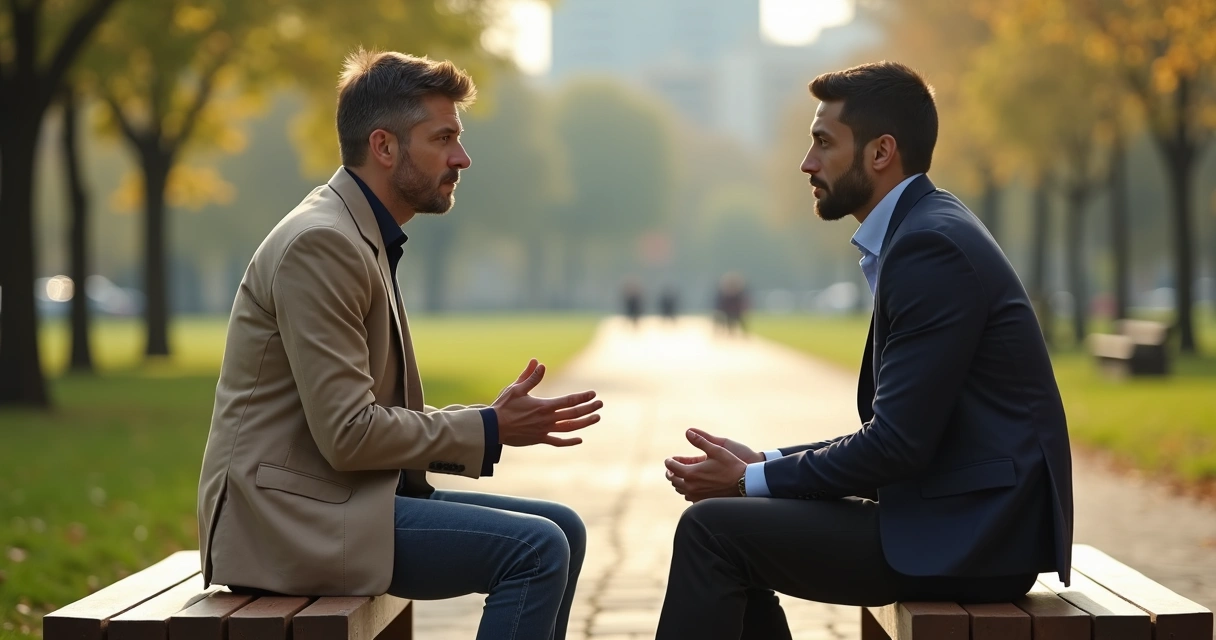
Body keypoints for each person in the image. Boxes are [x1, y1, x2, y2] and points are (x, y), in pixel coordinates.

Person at [658, 61, 1073, 639]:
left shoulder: (929, 246)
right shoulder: (925, 228)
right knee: (731, 527)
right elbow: (899, 435)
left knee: (713, 532)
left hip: (974, 536)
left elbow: (896, 444)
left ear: (881, 153)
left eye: (823, 143)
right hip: (961, 516)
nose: (807, 163)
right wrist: (763, 466)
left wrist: (749, 480)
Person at [196, 50, 603, 640]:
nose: (462, 158)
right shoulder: (323, 244)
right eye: (443, 138)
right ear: (384, 147)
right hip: (286, 522)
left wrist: (486, 421)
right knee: (537, 550)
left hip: (331, 499)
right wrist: (487, 427)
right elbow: (349, 434)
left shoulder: (356, 232)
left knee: (564, 527)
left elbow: (355, 425)